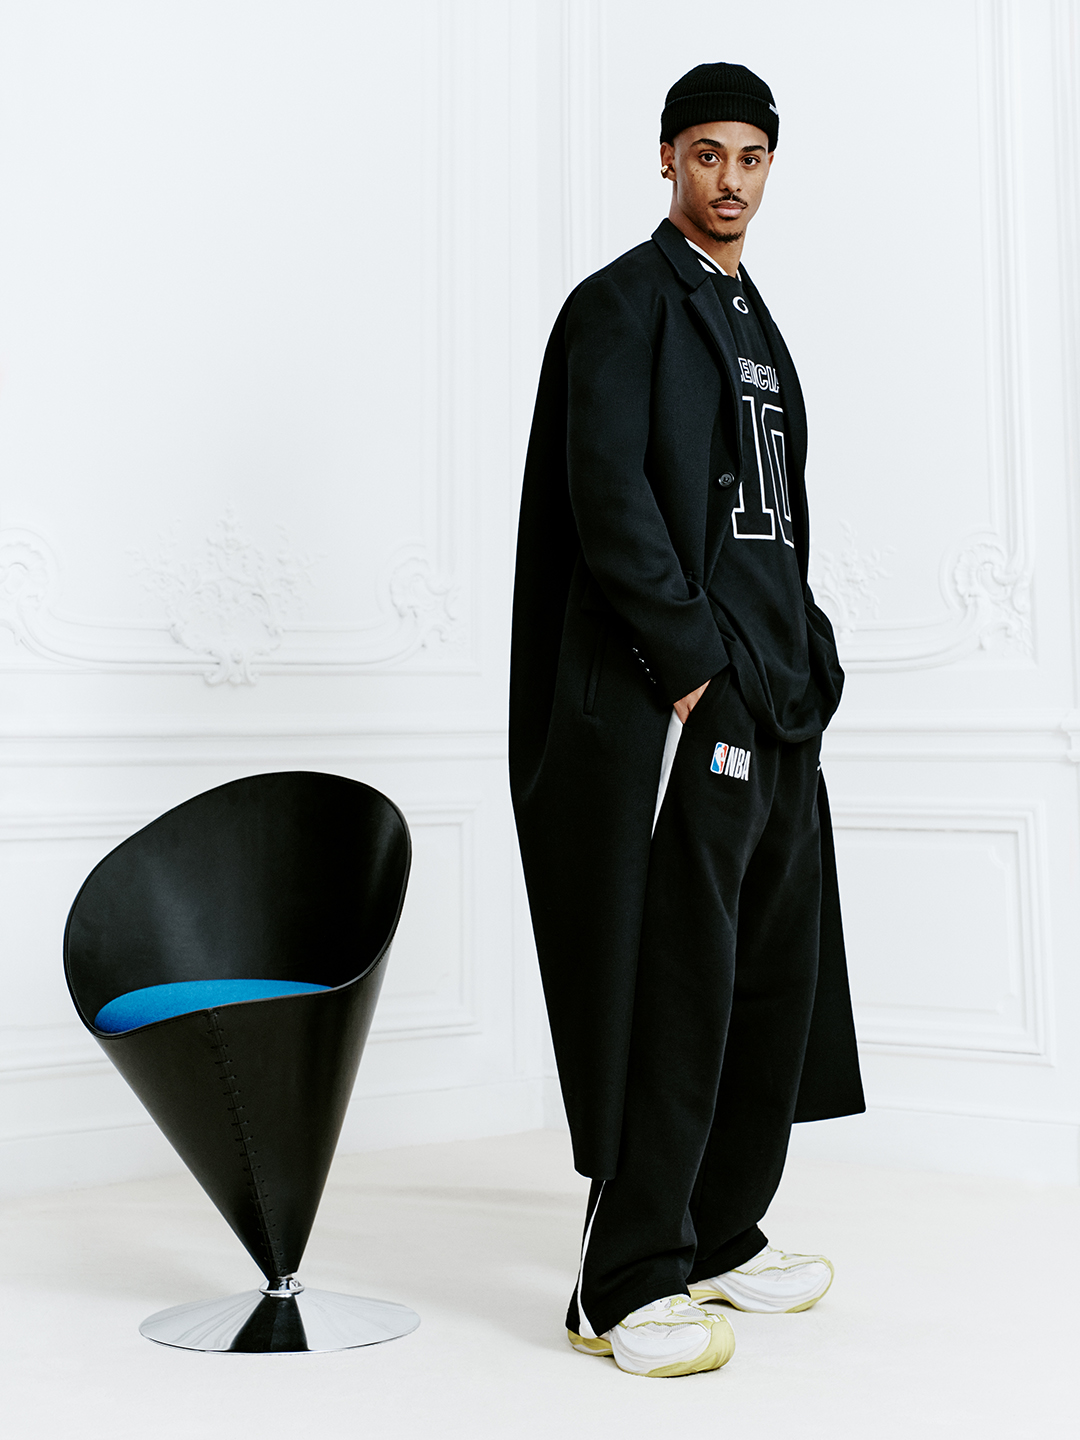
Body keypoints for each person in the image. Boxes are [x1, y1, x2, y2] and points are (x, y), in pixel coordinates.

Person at [509, 62, 865, 1379]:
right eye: (707, 154)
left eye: (751, 158)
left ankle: (716, 1234)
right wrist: (694, 673)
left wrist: (804, 661)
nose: (730, 181)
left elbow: (776, 523)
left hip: (776, 697)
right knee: (676, 978)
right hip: (695, 697)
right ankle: (621, 1277)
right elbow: (609, 502)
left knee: (771, 973)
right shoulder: (620, 305)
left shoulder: (757, 322)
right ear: (667, 158)